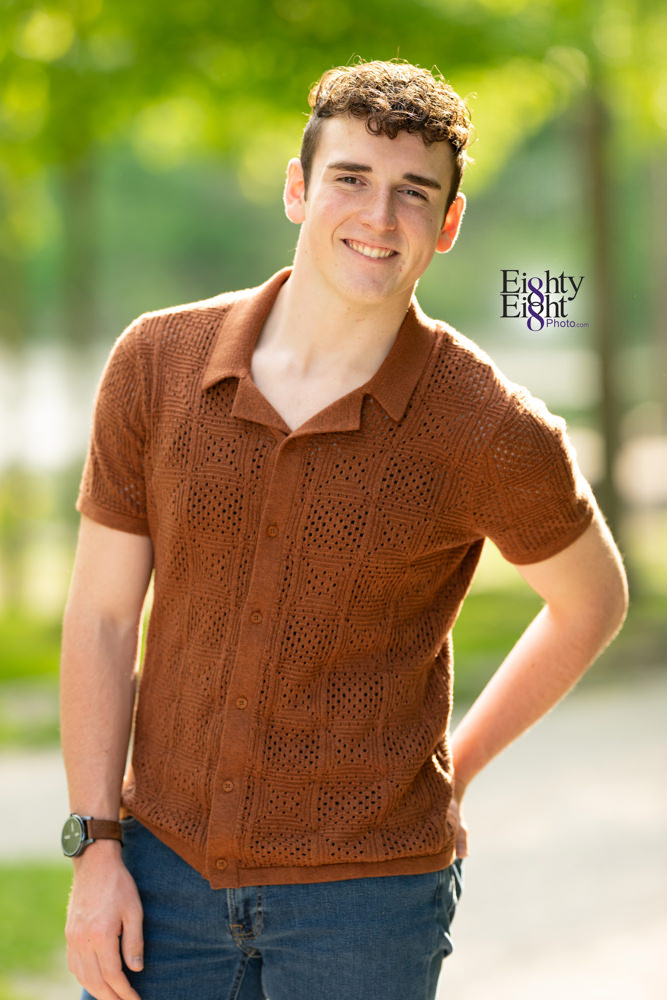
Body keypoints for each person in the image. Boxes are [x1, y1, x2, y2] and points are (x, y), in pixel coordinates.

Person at [60, 59, 628, 1000]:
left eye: (414, 193)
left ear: (448, 224)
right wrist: (96, 847)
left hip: (367, 908)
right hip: (158, 876)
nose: (379, 217)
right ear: (297, 189)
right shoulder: (157, 363)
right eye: (351, 178)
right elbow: (103, 617)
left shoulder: (489, 426)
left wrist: (457, 770)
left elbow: (593, 601)